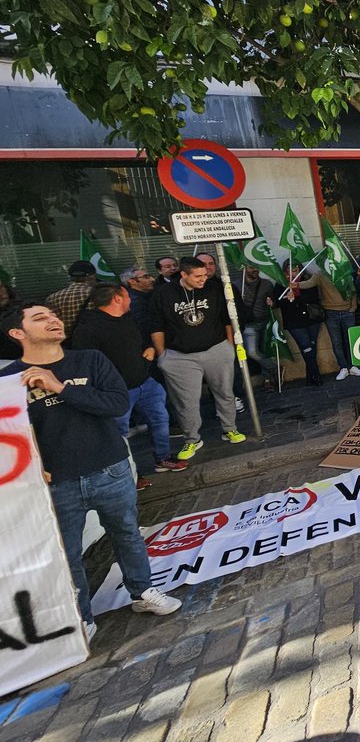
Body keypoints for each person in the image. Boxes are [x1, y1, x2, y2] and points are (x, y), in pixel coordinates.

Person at [0, 303, 182, 640]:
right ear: (17, 333)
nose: (53, 320)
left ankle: (142, 591)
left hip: (110, 468)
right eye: (40, 318)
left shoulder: (90, 360)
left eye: (53, 315)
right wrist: (33, 468)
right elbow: (8, 438)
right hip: (57, 483)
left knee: (127, 534)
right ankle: (81, 617)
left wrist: (60, 387)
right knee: (67, 554)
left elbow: (117, 404)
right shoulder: (8, 381)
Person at [71, 284, 183, 481]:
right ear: (117, 299)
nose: (130, 299)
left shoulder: (128, 318)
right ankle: (128, 474)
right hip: (116, 391)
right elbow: (86, 364)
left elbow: (140, 339)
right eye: (127, 295)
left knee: (160, 419)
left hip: (145, 382)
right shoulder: (88, 328)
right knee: (119, 433)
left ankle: (163, 458)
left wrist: (149, 348)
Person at [148, 255, 245, 460]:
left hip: (216, 348)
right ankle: (192, 439)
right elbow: (156, 325)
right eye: (198, 276)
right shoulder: (163, 293)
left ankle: (230, 429)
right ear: (184, 274)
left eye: (205, 275)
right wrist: (162, 355)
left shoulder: (213, 288)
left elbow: (226, 318)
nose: (203, 279)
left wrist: (229, 346)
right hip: (179, 355)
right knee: (186, 401)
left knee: (225, 392)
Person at [270, 264, 325, 385]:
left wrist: (296, 297)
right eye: (289, 271)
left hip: (311, 318)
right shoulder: (281, 283)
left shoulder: (308, 279)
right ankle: (316, 374)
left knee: (311, 346)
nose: (292, 273)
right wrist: (285, 299)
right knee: (306, 346)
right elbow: (277, 302)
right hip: (294, 321)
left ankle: (310, 376)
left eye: (295, 270)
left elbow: (314, 297)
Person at [315, 271, 360, 380]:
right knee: (336, 342)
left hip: (348, 311)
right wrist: (296, 284)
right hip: (330, 312)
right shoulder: (320, 275)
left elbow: (353, 290)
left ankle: (353, 366)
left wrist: (353, 307)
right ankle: (343, 367)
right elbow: (309, 283)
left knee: (350, 340)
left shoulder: (345, 272)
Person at [234, 265, 276, 389]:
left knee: (264, 352)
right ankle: (275, 368)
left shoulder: (266, 284)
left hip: (265, 322)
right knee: (252, 352)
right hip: (249, 325)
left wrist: (272, 303)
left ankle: (267, 379)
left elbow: (273, 300)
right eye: (251, 267)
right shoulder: (236, 285)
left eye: (256, 267)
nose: (255, 270)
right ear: (244, 269)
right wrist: (238, 301)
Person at [46, 259, 97, 338]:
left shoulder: (52, 298)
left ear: (70, 277)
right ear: (91, 277)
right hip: (94, 339)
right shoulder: (99, 295)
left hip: (66, 341)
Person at [120, 266, 157, 342]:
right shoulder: (134, 301)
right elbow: (143, 327)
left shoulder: (150, 294)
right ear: (132, 281)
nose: (152, 279)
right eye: (146, 277)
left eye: (150, 276)